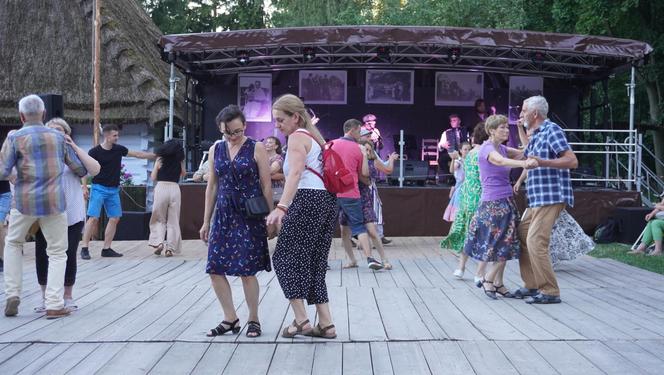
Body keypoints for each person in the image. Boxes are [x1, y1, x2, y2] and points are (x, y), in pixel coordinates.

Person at [1, 95, 87, 319]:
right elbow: (79, 169)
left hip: (23, 202)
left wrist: (15, 175)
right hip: (54, 202)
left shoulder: (14, 138)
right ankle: (54, 304)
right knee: (58, 252)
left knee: (13, 243)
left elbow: (2, 171)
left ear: (21, 116)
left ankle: (12, 293)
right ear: (44, 115)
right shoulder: (58, 137)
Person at [267, 94, 338, 339]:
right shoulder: (314, 138)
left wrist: (282, 206)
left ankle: (301, 320)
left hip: (306, 199)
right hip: (326, 202)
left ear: (295, 117)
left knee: (285, 258)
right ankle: (326, 323)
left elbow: (296, 173)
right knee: (315, 263)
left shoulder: (297, 137)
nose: (277, 125)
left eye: (280, 119)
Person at [199, 105, 272, 338]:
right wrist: (205, 221)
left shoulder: (256, 147)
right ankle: (230, 318)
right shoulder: (216, 149)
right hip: (223, 214)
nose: (232, 137)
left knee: (247, 270)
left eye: (237, 132)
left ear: (245, 126)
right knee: (215, 268)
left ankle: (253, 319)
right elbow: (212, 186)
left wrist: (270, 217)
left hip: (249, 214)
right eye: (227, 132)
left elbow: (266, 184)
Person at [514, 95, 578, 304]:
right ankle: (532, 284)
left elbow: (571, 161)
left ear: (535, 114)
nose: (520, 113)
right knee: (523, 234)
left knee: (535, 240)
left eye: (523, 110)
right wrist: (521, 131)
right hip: (537, 198)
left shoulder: (552, 130)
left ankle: (550, 291)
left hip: (551, 196)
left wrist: (543, 162)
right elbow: (528, 153)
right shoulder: (537, 134)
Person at [464, 115, 536, 300]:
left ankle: (498, 283)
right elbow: (500, 162)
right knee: (502, 243)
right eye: (502, 128)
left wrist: (521, 129)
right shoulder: (487, 149)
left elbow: (527, 150)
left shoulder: (502, 148)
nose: (506, 130)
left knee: (509, 242)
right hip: (493, 204)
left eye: (507, 127)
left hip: (506, 201)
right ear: (491, 131)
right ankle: (488, 279)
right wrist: (524, 164)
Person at [33, 118, 101, 313]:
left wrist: (73, 146)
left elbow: (95, 169)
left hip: (71, 212)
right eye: (51, 131)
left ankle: (67, 295)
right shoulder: (40, 155)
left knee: (69, 253)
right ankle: (46, 297)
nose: (55, 134)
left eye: (59, 131)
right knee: (42, 253)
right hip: (44, 211)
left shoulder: (72, 156)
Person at [80, 124, 155, 259]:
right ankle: (84, 247)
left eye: (117, 135)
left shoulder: (118, 149)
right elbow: (84, 169)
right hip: (98, 188)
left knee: (115, 218)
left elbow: (138, 154)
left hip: (113, 190)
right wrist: (84, 187)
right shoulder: (94, 152)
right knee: (93, 218)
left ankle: (106, 248)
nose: (117, 138)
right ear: (107, 136)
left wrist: (157, 156)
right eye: (115, 135)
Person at [441, 123, 489, 283]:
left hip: (469, 195)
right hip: (477, 195)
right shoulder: (483, 153)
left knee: (471, 232)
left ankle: (463, 268)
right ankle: (476, 272)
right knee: (483, 234)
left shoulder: (475, 154)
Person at [335, 119, 383, 270]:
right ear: (353, 130)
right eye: (359, 131)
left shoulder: (332, 145)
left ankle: (351, 260)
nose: (360, 134)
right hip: (351, 192)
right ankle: (369, 258)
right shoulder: (357, 148)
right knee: (358, 227)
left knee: (340, 229)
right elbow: (365, 173)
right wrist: (362, 155)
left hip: (333, 192)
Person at [341, 140, 397, 269]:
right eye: (364, 149)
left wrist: (391, 159)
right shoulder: (353, 160)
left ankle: (384, 259)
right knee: (344, 231)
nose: (366, 152)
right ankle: (352, 260)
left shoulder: (371, 161)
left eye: (368, 149)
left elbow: (367, 177)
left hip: (364, 197)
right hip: (348, 196)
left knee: (372, 230)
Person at [149, 139, 185, 257]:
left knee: (159, 218)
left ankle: (159, 242)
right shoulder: (179, 160)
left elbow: (153, 177)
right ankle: (170, 248)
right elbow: (183, 174)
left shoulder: (160, 159)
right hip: (174, 188)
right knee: (173, 220)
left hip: (161, 187)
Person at [443, 142, 471, 222]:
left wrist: (458, 157)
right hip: (461, 188)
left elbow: (468, 167)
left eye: (469, 149)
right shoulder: (458, 161)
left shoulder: (469, 161)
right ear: (461, 150)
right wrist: (453, 159)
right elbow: (452, 170)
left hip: (470, 187)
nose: (467, 151)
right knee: (459, 211)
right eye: (465, 149)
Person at [438, 114, 469, 183]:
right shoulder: (446, 132)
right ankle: (451, 177)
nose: (452, 122)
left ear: (459, 121)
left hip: (464, 154)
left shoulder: (465, 131)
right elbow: (440, 145)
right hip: (452, 153)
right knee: (441, 159)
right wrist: (443, 145)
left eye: (454, 120)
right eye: (451, 121)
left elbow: (470, 142)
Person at [264, 136, 285, 204]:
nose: (267, 144)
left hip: (275, 189)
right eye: (266, 142)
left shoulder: (278, 158)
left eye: (270, 142)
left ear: (276, 146)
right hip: (263, 189)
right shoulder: (262, 157)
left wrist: (260, 173)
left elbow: (271, 171)